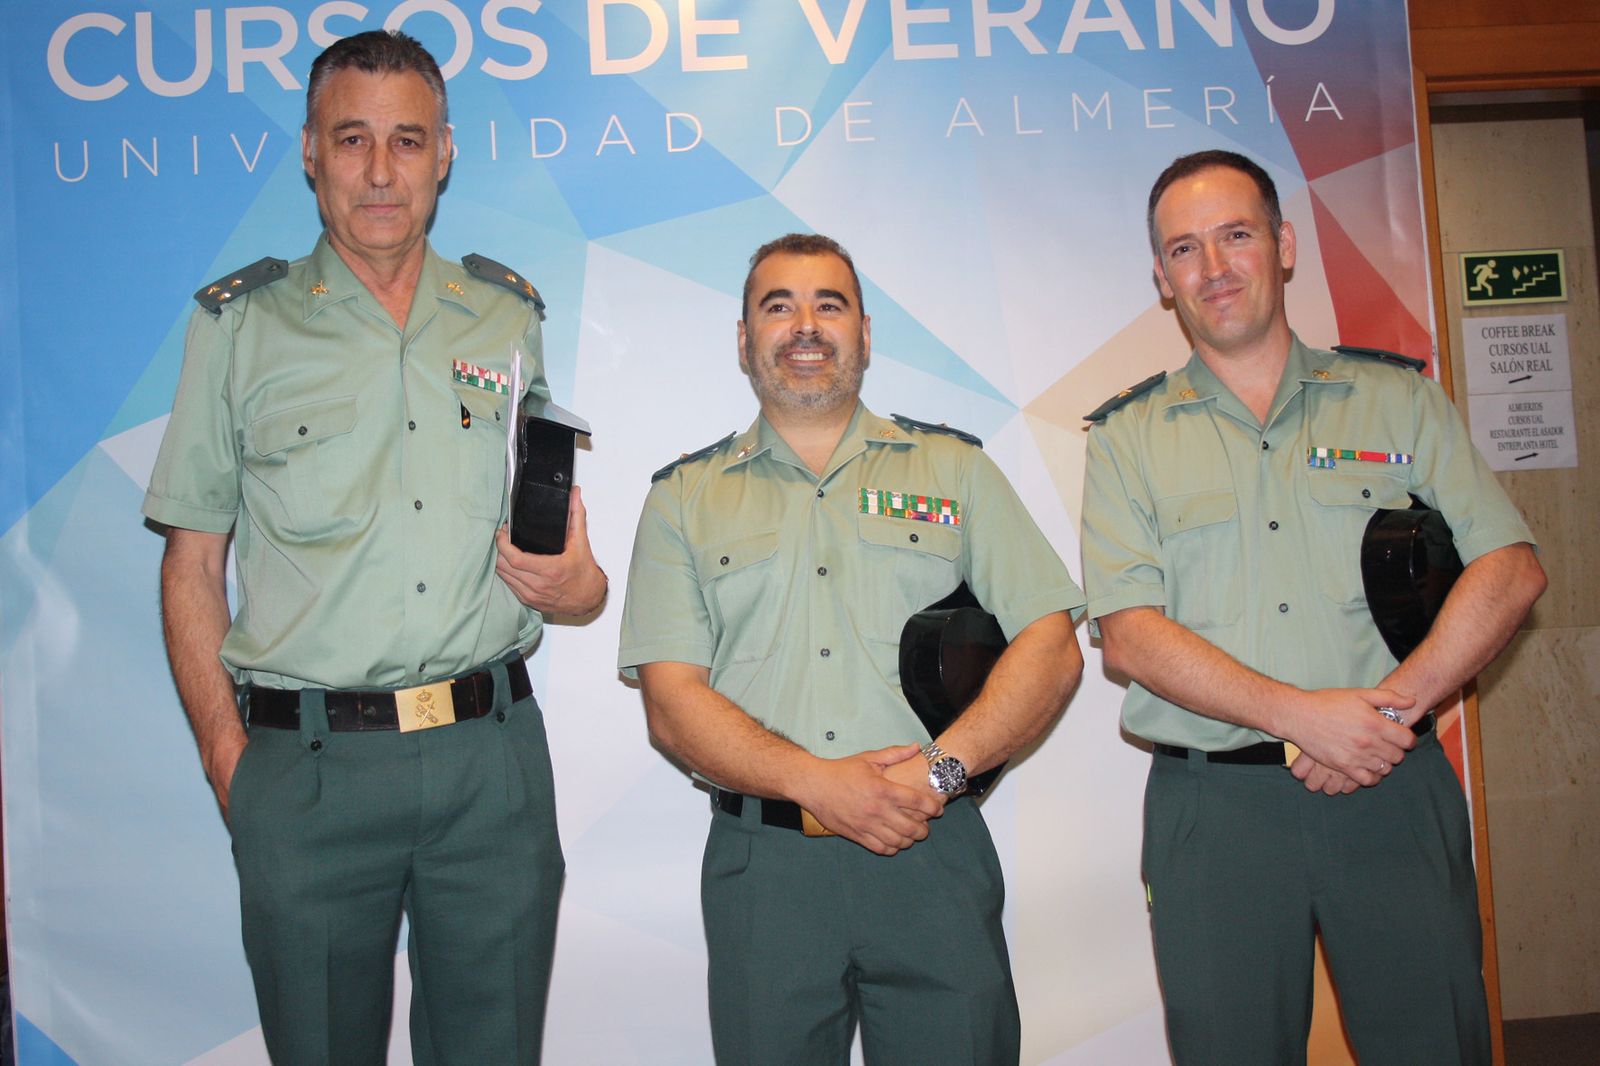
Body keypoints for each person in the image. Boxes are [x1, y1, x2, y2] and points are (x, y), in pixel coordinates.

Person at [142, 30, 606, 1065]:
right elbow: (191, 562)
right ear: (311, 151)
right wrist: (229, 762)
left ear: (446, 153)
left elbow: (557, 558)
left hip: (490, 767)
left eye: (408, 140)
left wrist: (577, 587)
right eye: (353, 139)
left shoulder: (505, 316)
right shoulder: (240, 327)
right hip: (309, 774)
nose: (382, 171)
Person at [1079, 149, 1547, 1065]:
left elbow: (1510, 568)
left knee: (1434, 1045)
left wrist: (1385, 716)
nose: (1214, 268)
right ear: (1162, 279)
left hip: (1390, 787)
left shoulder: (1398, 400)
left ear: (1285, 246)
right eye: (1184, 249)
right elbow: (1131, 637)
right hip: (1216, 813)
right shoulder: (1127, 438)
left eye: (1236, 235)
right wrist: (1305, 719)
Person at [617, 233, 1084, 1065]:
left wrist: (939, 773)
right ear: (744, 339)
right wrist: (817, 782)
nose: (805, 325)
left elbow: (1052, 644)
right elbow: (671, 702)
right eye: (779, 306)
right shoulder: (684, 498)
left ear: (864, 334)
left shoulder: (954, 471)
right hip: (767, 873)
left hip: (931, 849)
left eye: (828, 305)